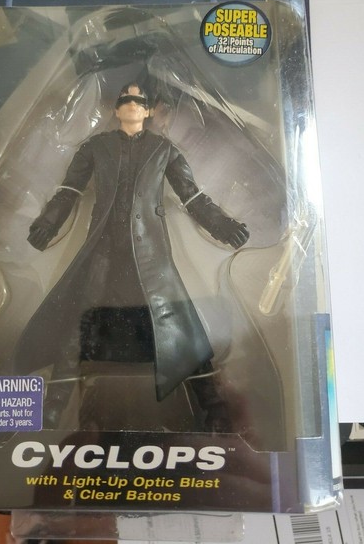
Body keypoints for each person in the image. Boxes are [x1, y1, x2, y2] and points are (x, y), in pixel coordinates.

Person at [13, 83, 249, 429]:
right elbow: (69, 190)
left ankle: (213, 404)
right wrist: (47, 224)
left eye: (139, 101)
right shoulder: (96, 146)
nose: (132, 105)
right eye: (126, 100)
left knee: (179, 323)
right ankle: (55, 403)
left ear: (148, 110)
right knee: (80, 320)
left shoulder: (163, 149)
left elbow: (192, 196)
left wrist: (224, 226)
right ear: (116, 108)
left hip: (151, 253)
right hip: (104, 247)